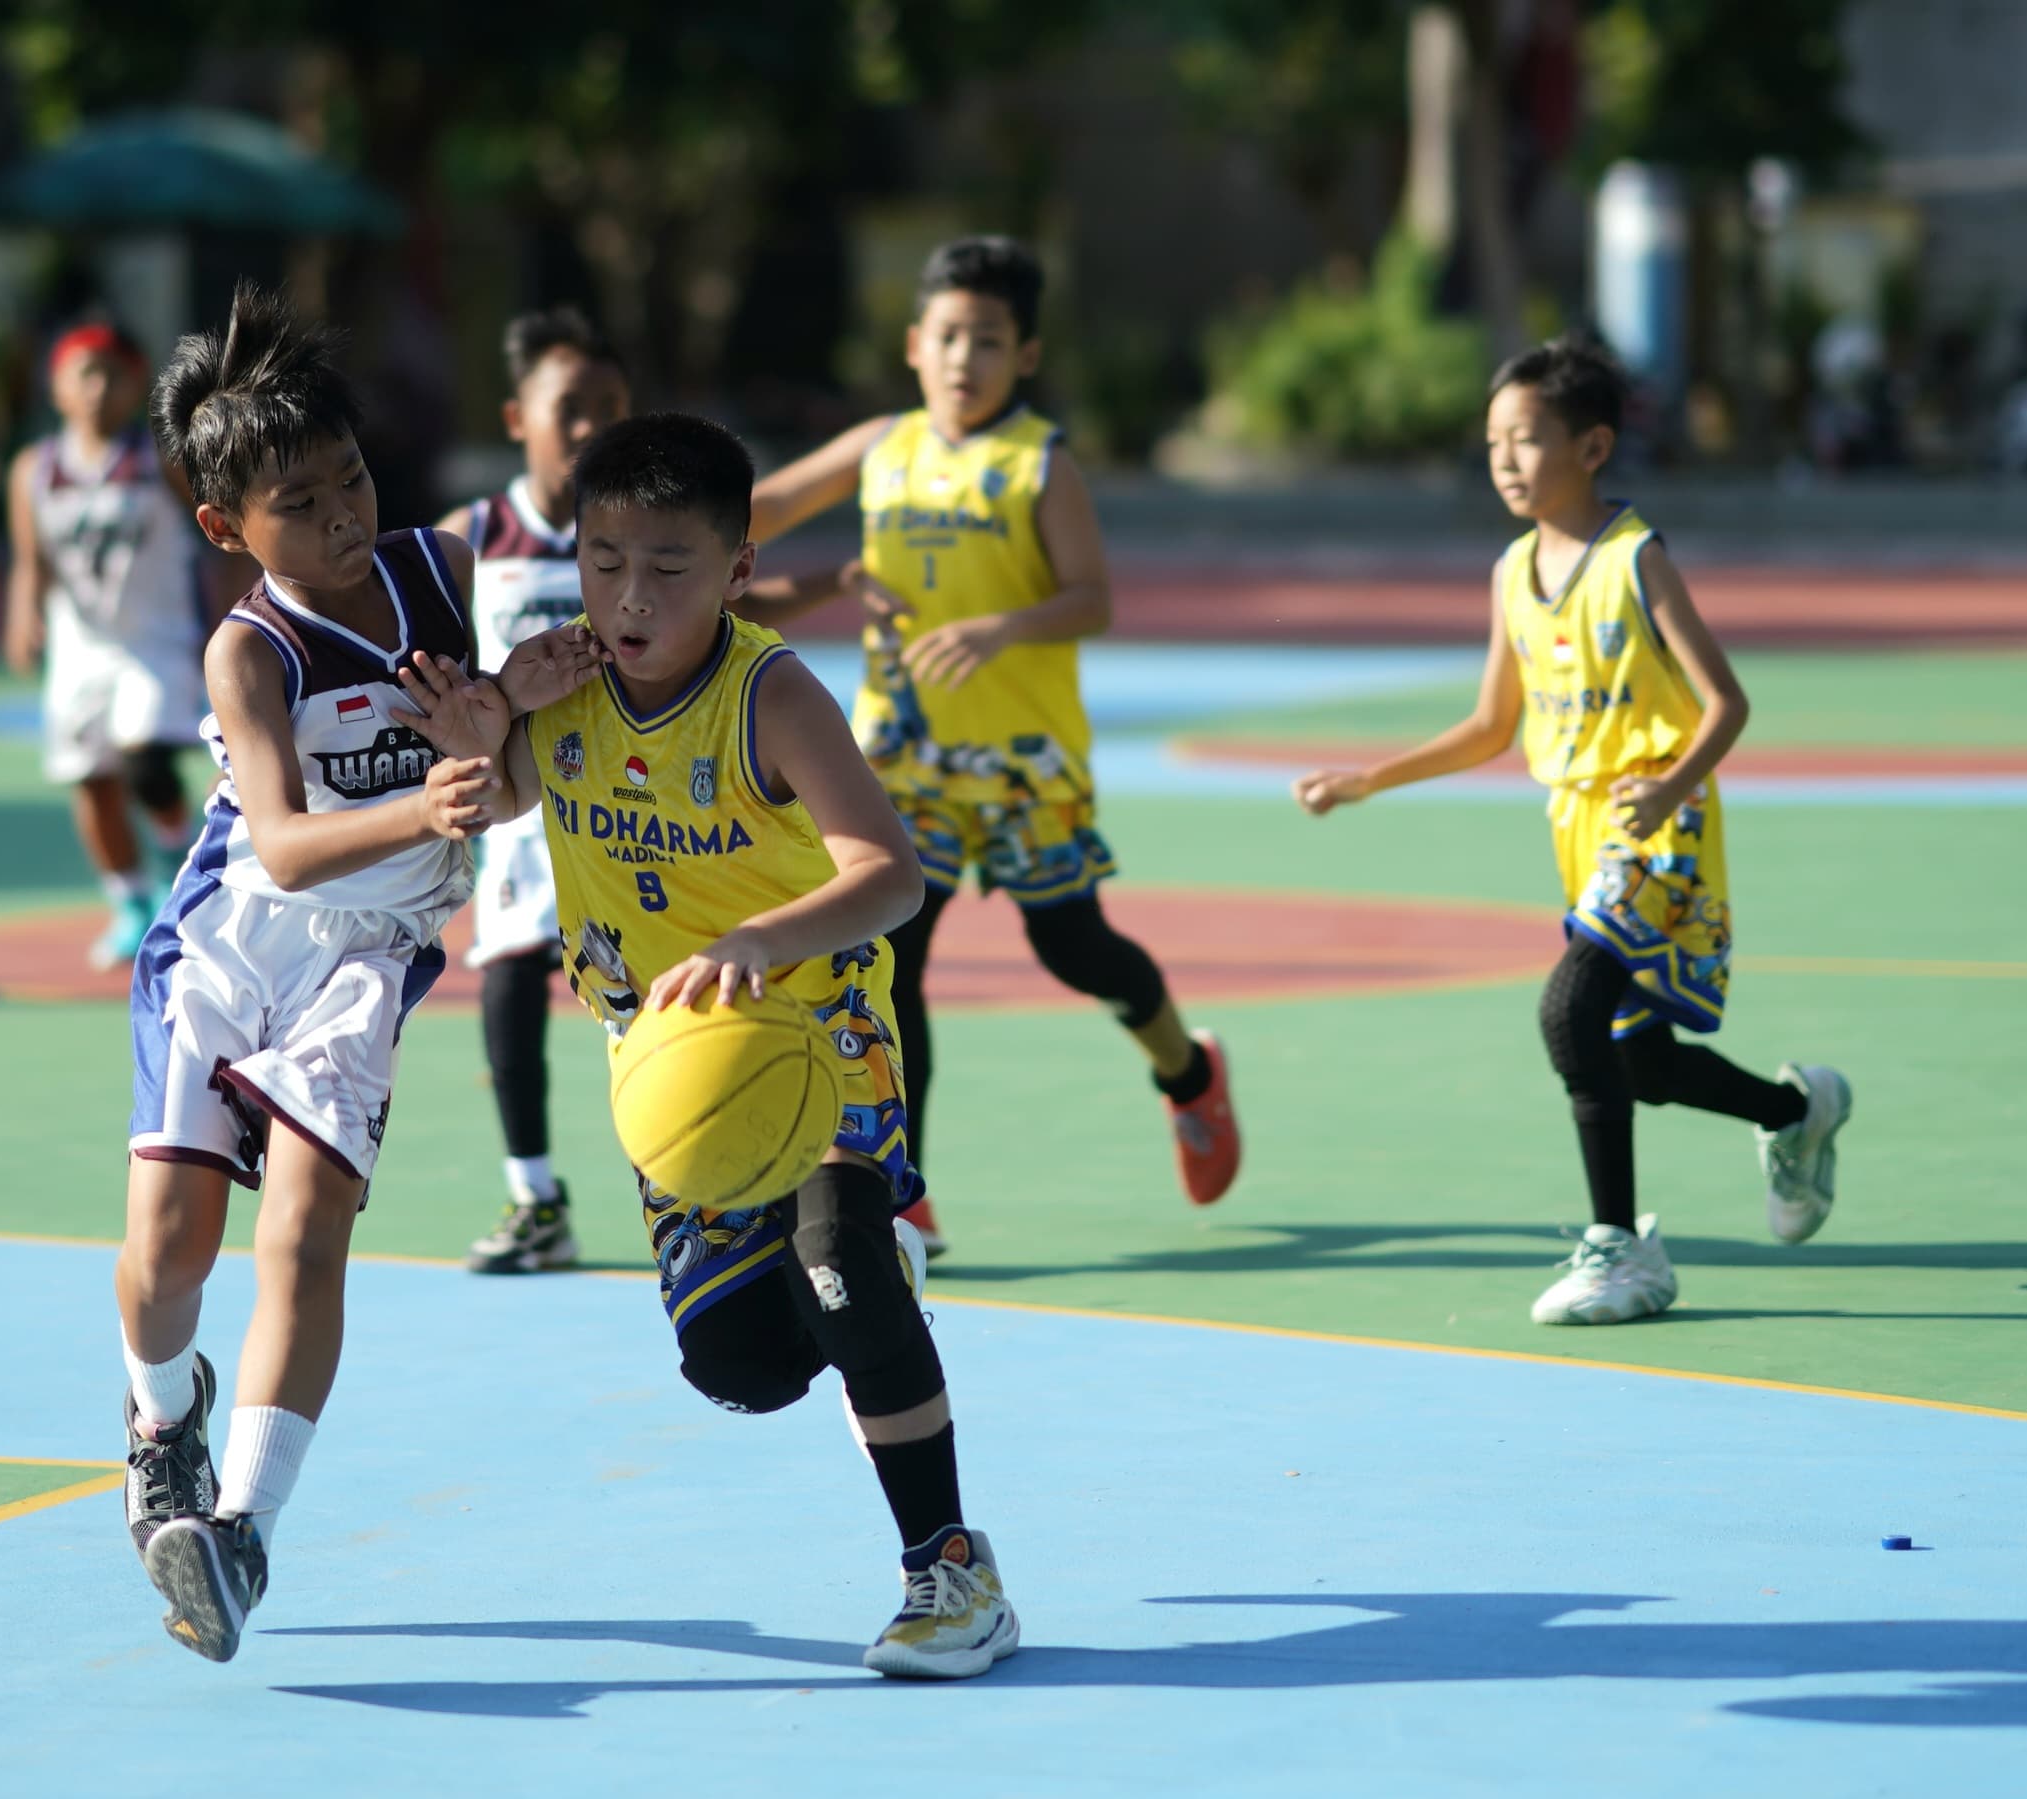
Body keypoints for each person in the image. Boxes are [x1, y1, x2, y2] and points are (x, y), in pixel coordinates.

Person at [419, 411, 1021, 1679]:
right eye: (604, 561)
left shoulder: (771, 694)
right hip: (670, 1059)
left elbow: (891, 874)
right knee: (738, 1363)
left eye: (669, 567)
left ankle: (952, 1568)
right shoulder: (563, 680)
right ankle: (865, 1289)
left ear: (738, 569)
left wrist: (758, 937)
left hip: (811, 1024)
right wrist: (482, 728)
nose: (631, 596)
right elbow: (503, 789)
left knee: (838, 1254)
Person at [115, 283, 598, 1664]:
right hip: (231, 944)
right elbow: (281, 839)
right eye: (300, 502)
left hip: (369, 959)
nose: (340, 514)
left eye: (351, 479)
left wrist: (508, 712)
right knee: (168, 1254)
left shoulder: (438, 568)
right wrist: (433, 795)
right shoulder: (247, 650)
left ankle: (240, 1533)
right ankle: (160, 1418)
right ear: (226, 527)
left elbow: (497, 784)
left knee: (305, 1232)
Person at [1292, 339, 1852, 1326]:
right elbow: (1490, 725)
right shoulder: (1512, 570)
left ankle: (1621, 1251)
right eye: (1492, 442)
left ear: (1592, 447)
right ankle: (1797, 1111)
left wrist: (1670, 785)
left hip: (1659, 826)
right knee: (1641, 1062)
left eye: (1526, 438)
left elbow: (1726, 701)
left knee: (1567, 1014)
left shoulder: (1635, 559)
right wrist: (1367, 778)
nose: (1504, 459)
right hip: (1581, 831)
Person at [746, 235, 1239, 1258]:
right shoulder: (881, 446)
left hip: (1024, 759)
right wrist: (677, 529)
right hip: (904, 754)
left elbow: (1092, 598)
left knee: (1073, 945)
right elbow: (758, 510)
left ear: (1026, 356)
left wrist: (1000, 628)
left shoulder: (1039, 464)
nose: (963, 357)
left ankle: (1188, 1072)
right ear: (913, 345)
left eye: (987, 340)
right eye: (947, 336)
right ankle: (905, 1193)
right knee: (893, 957)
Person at [437, 307, 633, 1274]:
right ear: (519, 417)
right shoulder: (470, 539)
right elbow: (428, 672)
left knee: (651, 1004)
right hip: (523, 800)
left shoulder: (638, 531)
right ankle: (535, 1198)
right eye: (570, 407)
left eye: (610, 405)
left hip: (634, 803)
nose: (591, 426)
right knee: (510, 976)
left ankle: (704, 1187)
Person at [5, 322, 209, 967]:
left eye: (113, 375)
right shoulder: (35, 469)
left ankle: (179, 866)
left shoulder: (161, 459)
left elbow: (223, 529)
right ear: (57, 387)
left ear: (136, 385)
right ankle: (130, 902)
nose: (98, 388)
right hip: (80, 647)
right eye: (84, 374)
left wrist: (236, 602)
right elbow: (31, 561)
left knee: (146, 761)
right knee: (91, 780)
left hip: (156, 639)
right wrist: (23, 616)